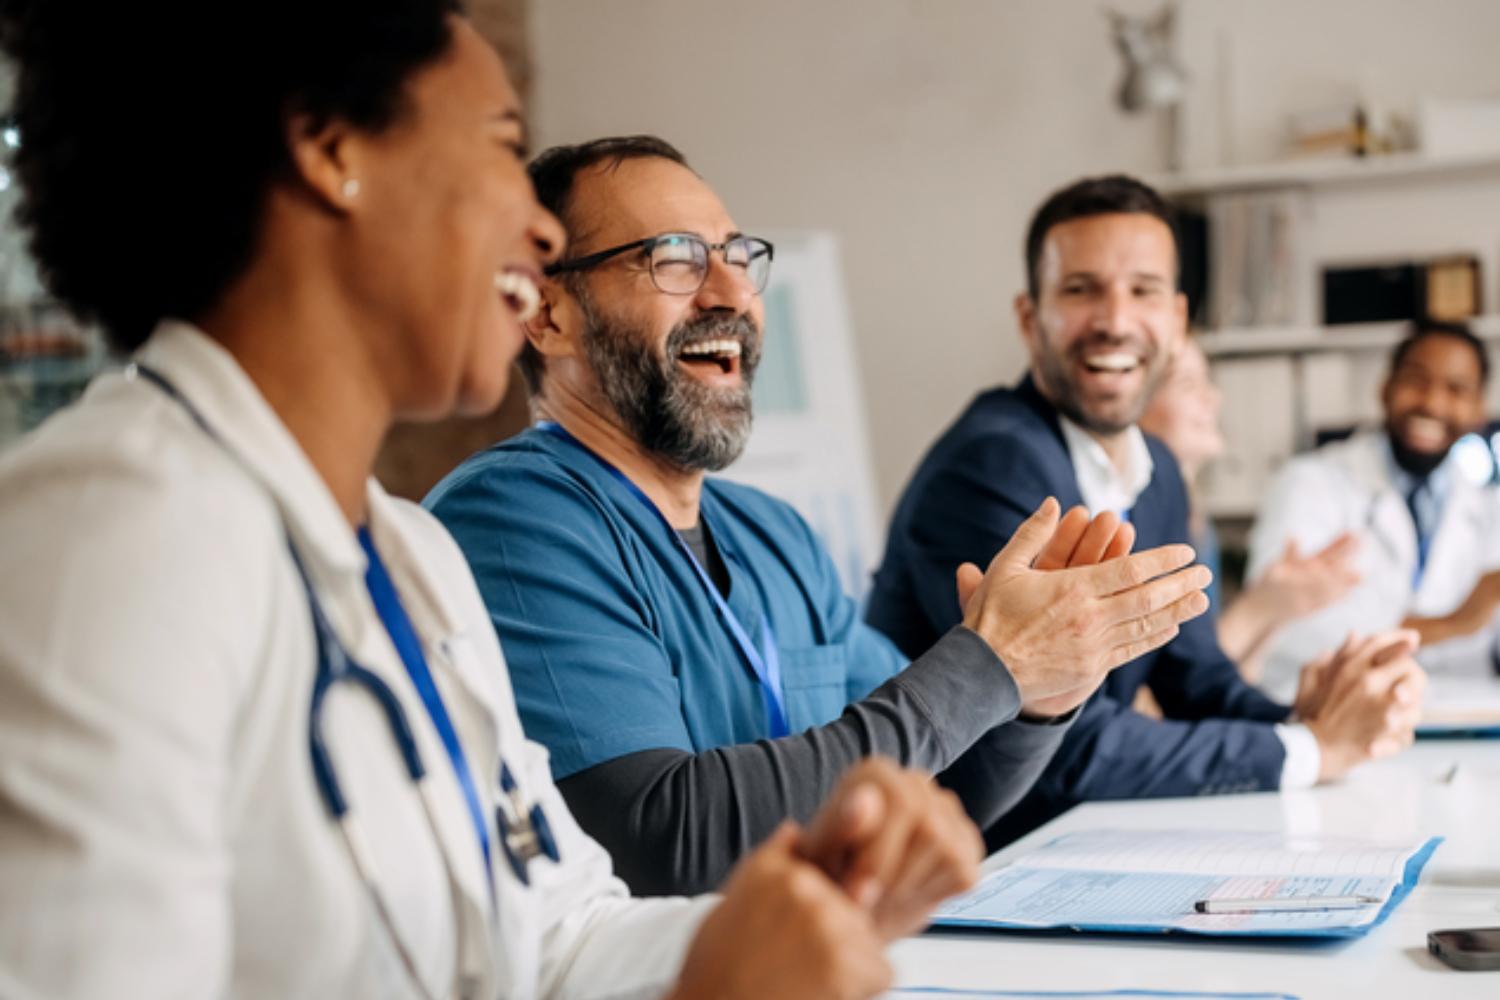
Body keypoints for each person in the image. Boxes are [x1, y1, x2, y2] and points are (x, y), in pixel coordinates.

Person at [0, 5, 983, 998]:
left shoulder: (412, 556)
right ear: (332, 149)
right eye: (501, 150)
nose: (542, 228)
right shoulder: (110, 536)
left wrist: (783, 914)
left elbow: (556, 932)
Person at [425, 136, 1213, 896]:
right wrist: (988, 664)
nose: (733, 294)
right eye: (674, 260)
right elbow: (658, 841)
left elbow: (942, 793)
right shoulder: (514, 521)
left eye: (738, 257)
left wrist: (1040, 692)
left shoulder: (774, 536)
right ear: (547, 314)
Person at [866, 174, 1427, 848]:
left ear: (1178, 320)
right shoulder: (993, 464)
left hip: (1073, 838)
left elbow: (1195, 677)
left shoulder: (1154, 471)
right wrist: (1310, 750)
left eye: (1143, 290)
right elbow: (1064, 741)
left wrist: (1310, 717)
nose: (1114, 320)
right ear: (1028, 317)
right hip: (962, 861)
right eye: (1080, 290)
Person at [1247, 320, 1500, 697]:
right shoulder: (1311, 483)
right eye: (1417, 380)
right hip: (1327, 716)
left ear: (1479, 408)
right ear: (1385, 388)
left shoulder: (1488, 509)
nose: (1432, 402)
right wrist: (1450, 624)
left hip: (1467, 723)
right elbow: (1278, 619)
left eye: (1456, 389)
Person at [1138, 337, 1361, 681]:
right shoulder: (1133, 527)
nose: (1213, 398)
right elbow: (1155, 697)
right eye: (1187, 384)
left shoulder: (1197, 523)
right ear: (1129, 406)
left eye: (1207, 381)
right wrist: (1259, 607)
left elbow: (1228, 682)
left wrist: (1283, 608)